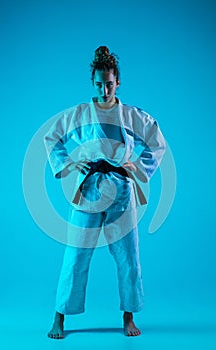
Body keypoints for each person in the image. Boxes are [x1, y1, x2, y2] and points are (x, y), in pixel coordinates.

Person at [44, 45, 166, 339]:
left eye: (109, 83)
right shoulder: (80, 114)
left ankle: (128, 316)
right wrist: (71, 164)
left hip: (121, 191)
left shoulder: (132, 116)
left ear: (117, 82)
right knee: (75, 256)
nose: (104, 89)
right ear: (93, 83)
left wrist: (135, 167)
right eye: (98, 84)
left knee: (128, 257)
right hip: (89, 192)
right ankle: (59, 317)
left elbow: (156, 142)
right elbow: (52, 137)